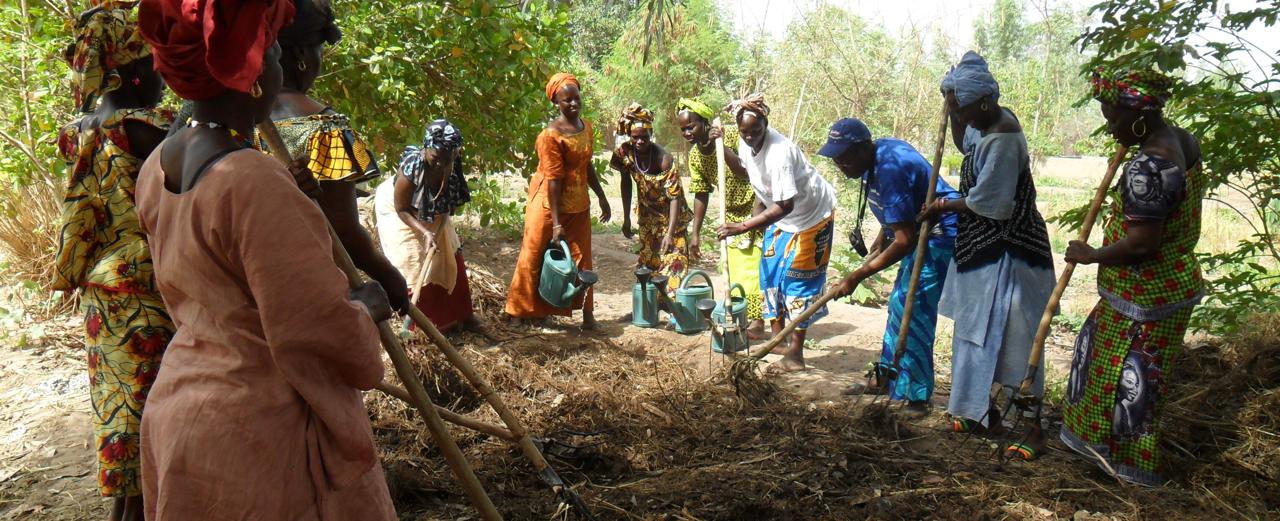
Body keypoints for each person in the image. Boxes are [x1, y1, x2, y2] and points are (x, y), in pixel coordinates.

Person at [136, 0, 396, 518]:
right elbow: (313, 326)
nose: (282, 64)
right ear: (252, 73)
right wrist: (366, 305)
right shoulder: (252, 180)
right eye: (272, 50)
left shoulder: (156, 165)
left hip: (179, 410)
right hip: (256, 431)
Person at [52, 6, 172, 520]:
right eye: (159, 64)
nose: (166, 76)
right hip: (151, 289)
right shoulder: (146, 129)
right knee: (156, 425)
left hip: (105, 295)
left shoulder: (78, 131)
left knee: (125, 422)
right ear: (133, 72)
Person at [1058, 68, 1203, 486]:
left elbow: (1142, 243)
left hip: (1146, 296)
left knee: (1128, 381)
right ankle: (1108, 456)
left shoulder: (1150, 164)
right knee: (1126, 370)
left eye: (1112, 118)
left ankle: (1127, 469)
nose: (1110, 127)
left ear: (1138, 116)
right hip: (1168, 286)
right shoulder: (1182, 139)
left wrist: (1091, 255)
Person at [918, 51, 1056, 440]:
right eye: (955, 111)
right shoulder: (983, 117)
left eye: (962, 111)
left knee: (1015, 338)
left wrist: (943, 205)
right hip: (983, 250)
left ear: (984, 102)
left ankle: (1031, 428)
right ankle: (980, 412)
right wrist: (950, 99)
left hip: (1012, 253)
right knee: (974, 330)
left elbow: (991, 204)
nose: (960, 120)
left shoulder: (1004, 139)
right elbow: (965, 142)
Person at [263, 0, 411, 312]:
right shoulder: (325, 129)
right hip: (315, 289)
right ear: (302, 55)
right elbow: (343, 231)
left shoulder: (237, 117)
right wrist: (389, 277)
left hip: (258, 283)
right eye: (319, 50)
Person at [818, 118, 960, 417]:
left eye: (844, 157)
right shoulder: (877, 156)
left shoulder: (890, 168)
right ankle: (888, 378)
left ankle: (918, 396)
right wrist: (883, 235)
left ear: (862, 148)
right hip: (917, 229)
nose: (841, 165)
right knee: (898, 303)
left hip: (939, 234)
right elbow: (898, 216)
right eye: (836, 159)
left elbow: (905, 240)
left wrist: (857, 275)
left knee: (915, 308)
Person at [718, 94, 837, 374]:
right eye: (743, 132)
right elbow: (746, 172)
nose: (749, 137)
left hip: (811, 217)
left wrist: (744, 226)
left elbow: (785, 203)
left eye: (755, 131)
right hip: (783, 218)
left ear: (765, 123)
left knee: (798, 283)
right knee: (769, 272)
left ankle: (795, 355)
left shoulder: (780, 151)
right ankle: (779, 340)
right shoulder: (745, 141)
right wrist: (722, 146)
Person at [505, 72, 611, 329]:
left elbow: (588, 166)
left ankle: (587, 316)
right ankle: (517, 313)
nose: (573, 104)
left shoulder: (586, 127)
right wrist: (555, 223)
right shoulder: (549, 136)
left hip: (578, 204)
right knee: (533, 255)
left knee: (582, 260)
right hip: (547, 204)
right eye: (567, 101)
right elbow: (553, 180)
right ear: (556, 103)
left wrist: (601, 196)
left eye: (576, 98)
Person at [375, 119, 482, 333]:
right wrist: (425, 232)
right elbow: (402, 208)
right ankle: (421, 329)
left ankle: (462, 317)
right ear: (426, 149)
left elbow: (451, 197)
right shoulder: (412, 167)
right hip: (398, 208)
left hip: (431, 206)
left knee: (449, 251)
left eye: (447, 159)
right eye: (436, 158)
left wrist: (440, 219)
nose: (441, 164)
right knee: (412, 259)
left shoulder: (451, 161)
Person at [678, 97, 766, 338]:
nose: (687, 132)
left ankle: (758, 321)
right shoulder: (695, 157)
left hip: (755, 207)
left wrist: (722, 146)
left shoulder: (729, 138)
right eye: (683, 129)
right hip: (730, 214)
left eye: (691, 126)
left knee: (754, 268)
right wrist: (695, 233)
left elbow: (745, 172)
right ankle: (742, 314)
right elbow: (701, 193)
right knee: (735, 269)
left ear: (704, 123)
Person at [610, 102, 691, 293]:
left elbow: (675, 198)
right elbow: (626, 183)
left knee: (674, 262)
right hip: (647, 217)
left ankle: (675, 313)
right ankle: (649, 309)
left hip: (673, 219)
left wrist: (670, 233)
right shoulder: (624, 153)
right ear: (630, 136)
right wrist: (627, 218)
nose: (639, 142)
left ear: (650, 135)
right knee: (649, 264)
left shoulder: (664, 159)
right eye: (635, 137)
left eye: (644, 137)